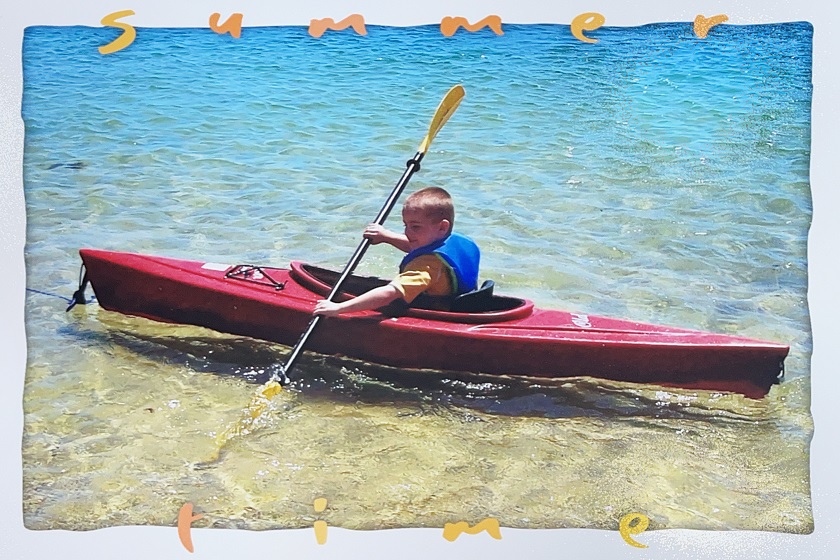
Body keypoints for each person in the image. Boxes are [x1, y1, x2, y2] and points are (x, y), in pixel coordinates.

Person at [313, 186, 480, 317]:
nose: (408, 232)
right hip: (462, 304)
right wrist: (385, 236)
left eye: (415, 227)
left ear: (442, 227)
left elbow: (389, 293)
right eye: (405, 225)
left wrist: (339, 308)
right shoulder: (447, 241)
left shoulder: (426, 266)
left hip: (438, 313)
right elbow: (416, 246)